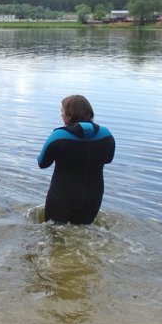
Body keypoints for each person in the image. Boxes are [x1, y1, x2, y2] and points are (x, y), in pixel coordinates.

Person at [37, 94, 116, 225]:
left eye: (62, 111)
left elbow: (42, 163)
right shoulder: (106, 135)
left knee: (54, 234)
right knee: (84, 233)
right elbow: (108, 159)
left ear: (69, 114)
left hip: (61, 196)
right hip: (93, 196)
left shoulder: (58, 136)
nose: (61, 115)